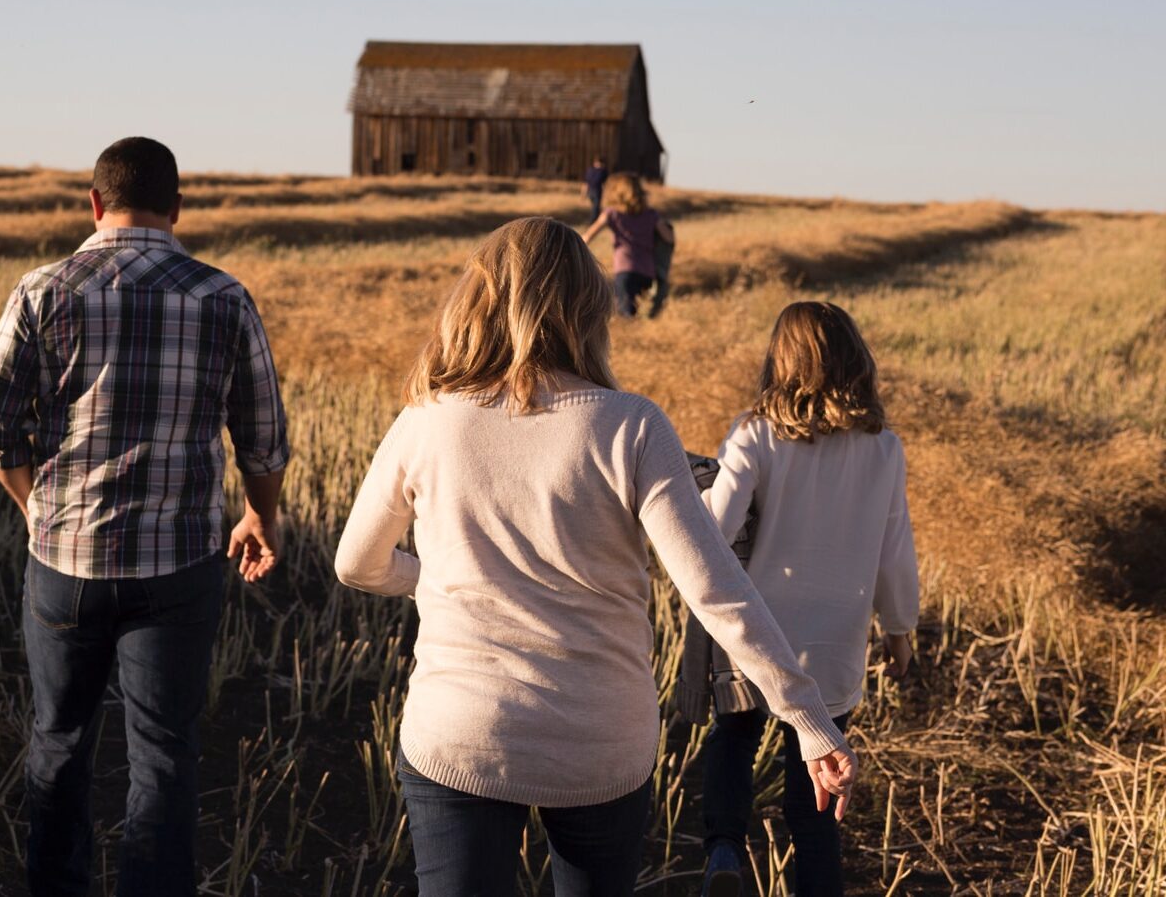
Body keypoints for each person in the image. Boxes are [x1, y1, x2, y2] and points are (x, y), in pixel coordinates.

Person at [334, 217, 856, 897]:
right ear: (590, 306)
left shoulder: (426, 420)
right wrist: (809, 722)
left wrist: (436, 580)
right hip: (600, 743)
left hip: (460, 734)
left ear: (479, 301)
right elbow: (714, 590)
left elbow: (357, 564)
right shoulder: (633, 425)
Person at [0, 136, 289, 897]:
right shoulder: (222, 297)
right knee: (165, 752)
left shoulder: (42, 290)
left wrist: (35, 510)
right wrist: (259, 516)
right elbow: (264, 438)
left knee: (58, 741)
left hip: (64, 565)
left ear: (93, 203)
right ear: (177, 209)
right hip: (178, 568)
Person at [699, 302, 919, 897]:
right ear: (857, 363)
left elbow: (714, 529)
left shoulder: (756, 434)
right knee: (816, 796)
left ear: (781, 361)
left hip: (758, 634)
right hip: (836, 642)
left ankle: (722, 848)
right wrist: (899, 630)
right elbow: (894, 551)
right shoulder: (884, 449)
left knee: (735, 738)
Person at [582, 172, 674, 318]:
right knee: (642, 316)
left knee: (625, 317)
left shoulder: (611, 214)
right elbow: (669, 238)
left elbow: (587, 237)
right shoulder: (651, 215)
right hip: (648, 273)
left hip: (625, 271)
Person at [582, 156, 609, 221]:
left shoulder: (590, 170)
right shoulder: (603, 171)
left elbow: (585, 183)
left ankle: (595, 220)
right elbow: (605, 184)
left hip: (592, 191)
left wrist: (583, 194)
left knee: (595, 207)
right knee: (596, 207)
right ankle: (593, 221)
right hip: (596, 191)